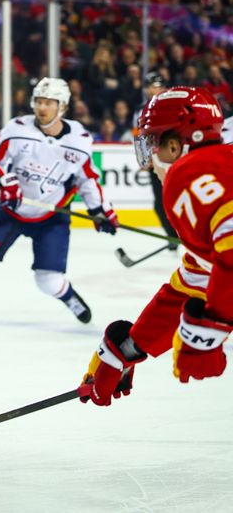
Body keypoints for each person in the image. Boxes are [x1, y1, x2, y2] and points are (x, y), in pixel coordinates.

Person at [79, 87, 232, 406]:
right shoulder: (218, 164)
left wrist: (209, 332)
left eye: (153, 143)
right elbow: (195, 284)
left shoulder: (192, 170)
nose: (148, 162)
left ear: (176, 145)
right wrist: (128, 349)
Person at [0, 77, 119, 324]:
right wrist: (1, 183)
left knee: (48, 282)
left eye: (49, 103)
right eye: (39, 101)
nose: (42, 108)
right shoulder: (18, 129)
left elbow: (88, 179)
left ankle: (71, 297)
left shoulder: (79, 140)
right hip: (13, 209)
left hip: (52, 216)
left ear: (62, 106)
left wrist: (99, 209)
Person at [133, 71, 178, 249]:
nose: (156, 90)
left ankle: (189, 233)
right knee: (160, 204)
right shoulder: (140, 110)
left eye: (159, 87)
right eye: (152, 86)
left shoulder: (174, 106)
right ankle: (173, 236)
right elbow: (139, 135)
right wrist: (144, 161)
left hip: (175, 160)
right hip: (156, 163)